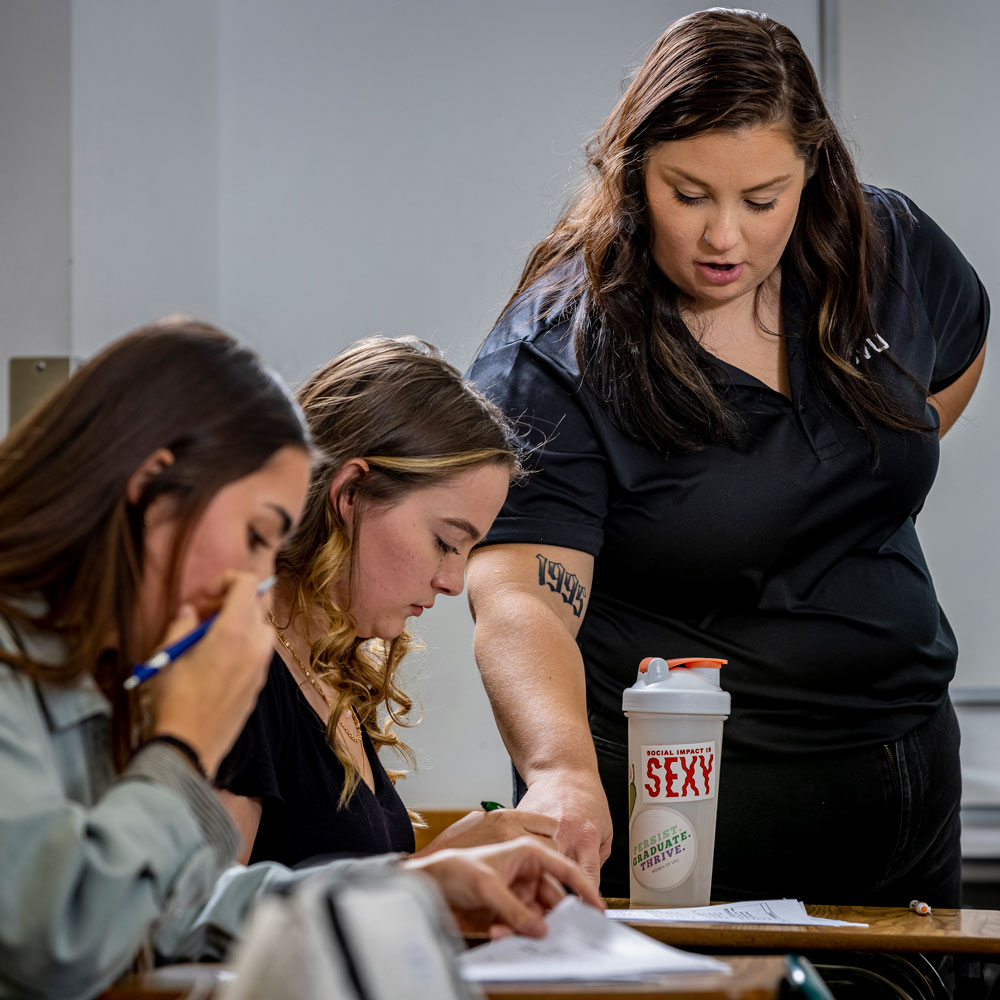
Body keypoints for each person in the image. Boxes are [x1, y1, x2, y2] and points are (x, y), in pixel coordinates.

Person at [464, 8, 989, 905]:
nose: (724, 239)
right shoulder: (556, 352)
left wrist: (842, 496)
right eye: (689, 193)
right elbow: (520, 596)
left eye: (762, 199)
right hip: (688, 806)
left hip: (905, 777)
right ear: (632, 172)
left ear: (812, 170)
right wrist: (559, 771)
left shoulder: (883, 247)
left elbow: (954, 360)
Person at [0, 320, 602, 1000]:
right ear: (152, 491)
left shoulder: (77, 670)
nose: (258, 578)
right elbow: (60, 944)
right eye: (257, 535)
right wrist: (180, 745)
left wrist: (416, 889)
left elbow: (173, 909)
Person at [216, 336, 558, 866]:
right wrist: (430, 875)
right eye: (446, 542)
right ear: (350, 493)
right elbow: (202, 925)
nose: (453, 581)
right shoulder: (233, 671)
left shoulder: (325, 669)